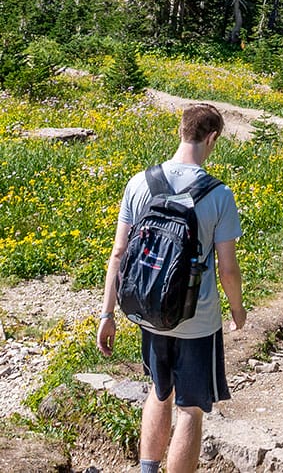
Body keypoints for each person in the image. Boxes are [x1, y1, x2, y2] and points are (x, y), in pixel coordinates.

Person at [98, 103, 245, 473]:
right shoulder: (218, 194)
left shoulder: (139, 183)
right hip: (197, 319)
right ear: (211, 138)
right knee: (191, 408)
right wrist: (238, 310)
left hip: (148, 310)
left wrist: (107, 314)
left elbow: (118, 253)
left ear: (181, 130)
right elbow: (228, 269)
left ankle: (148, 469)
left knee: (159, 392)